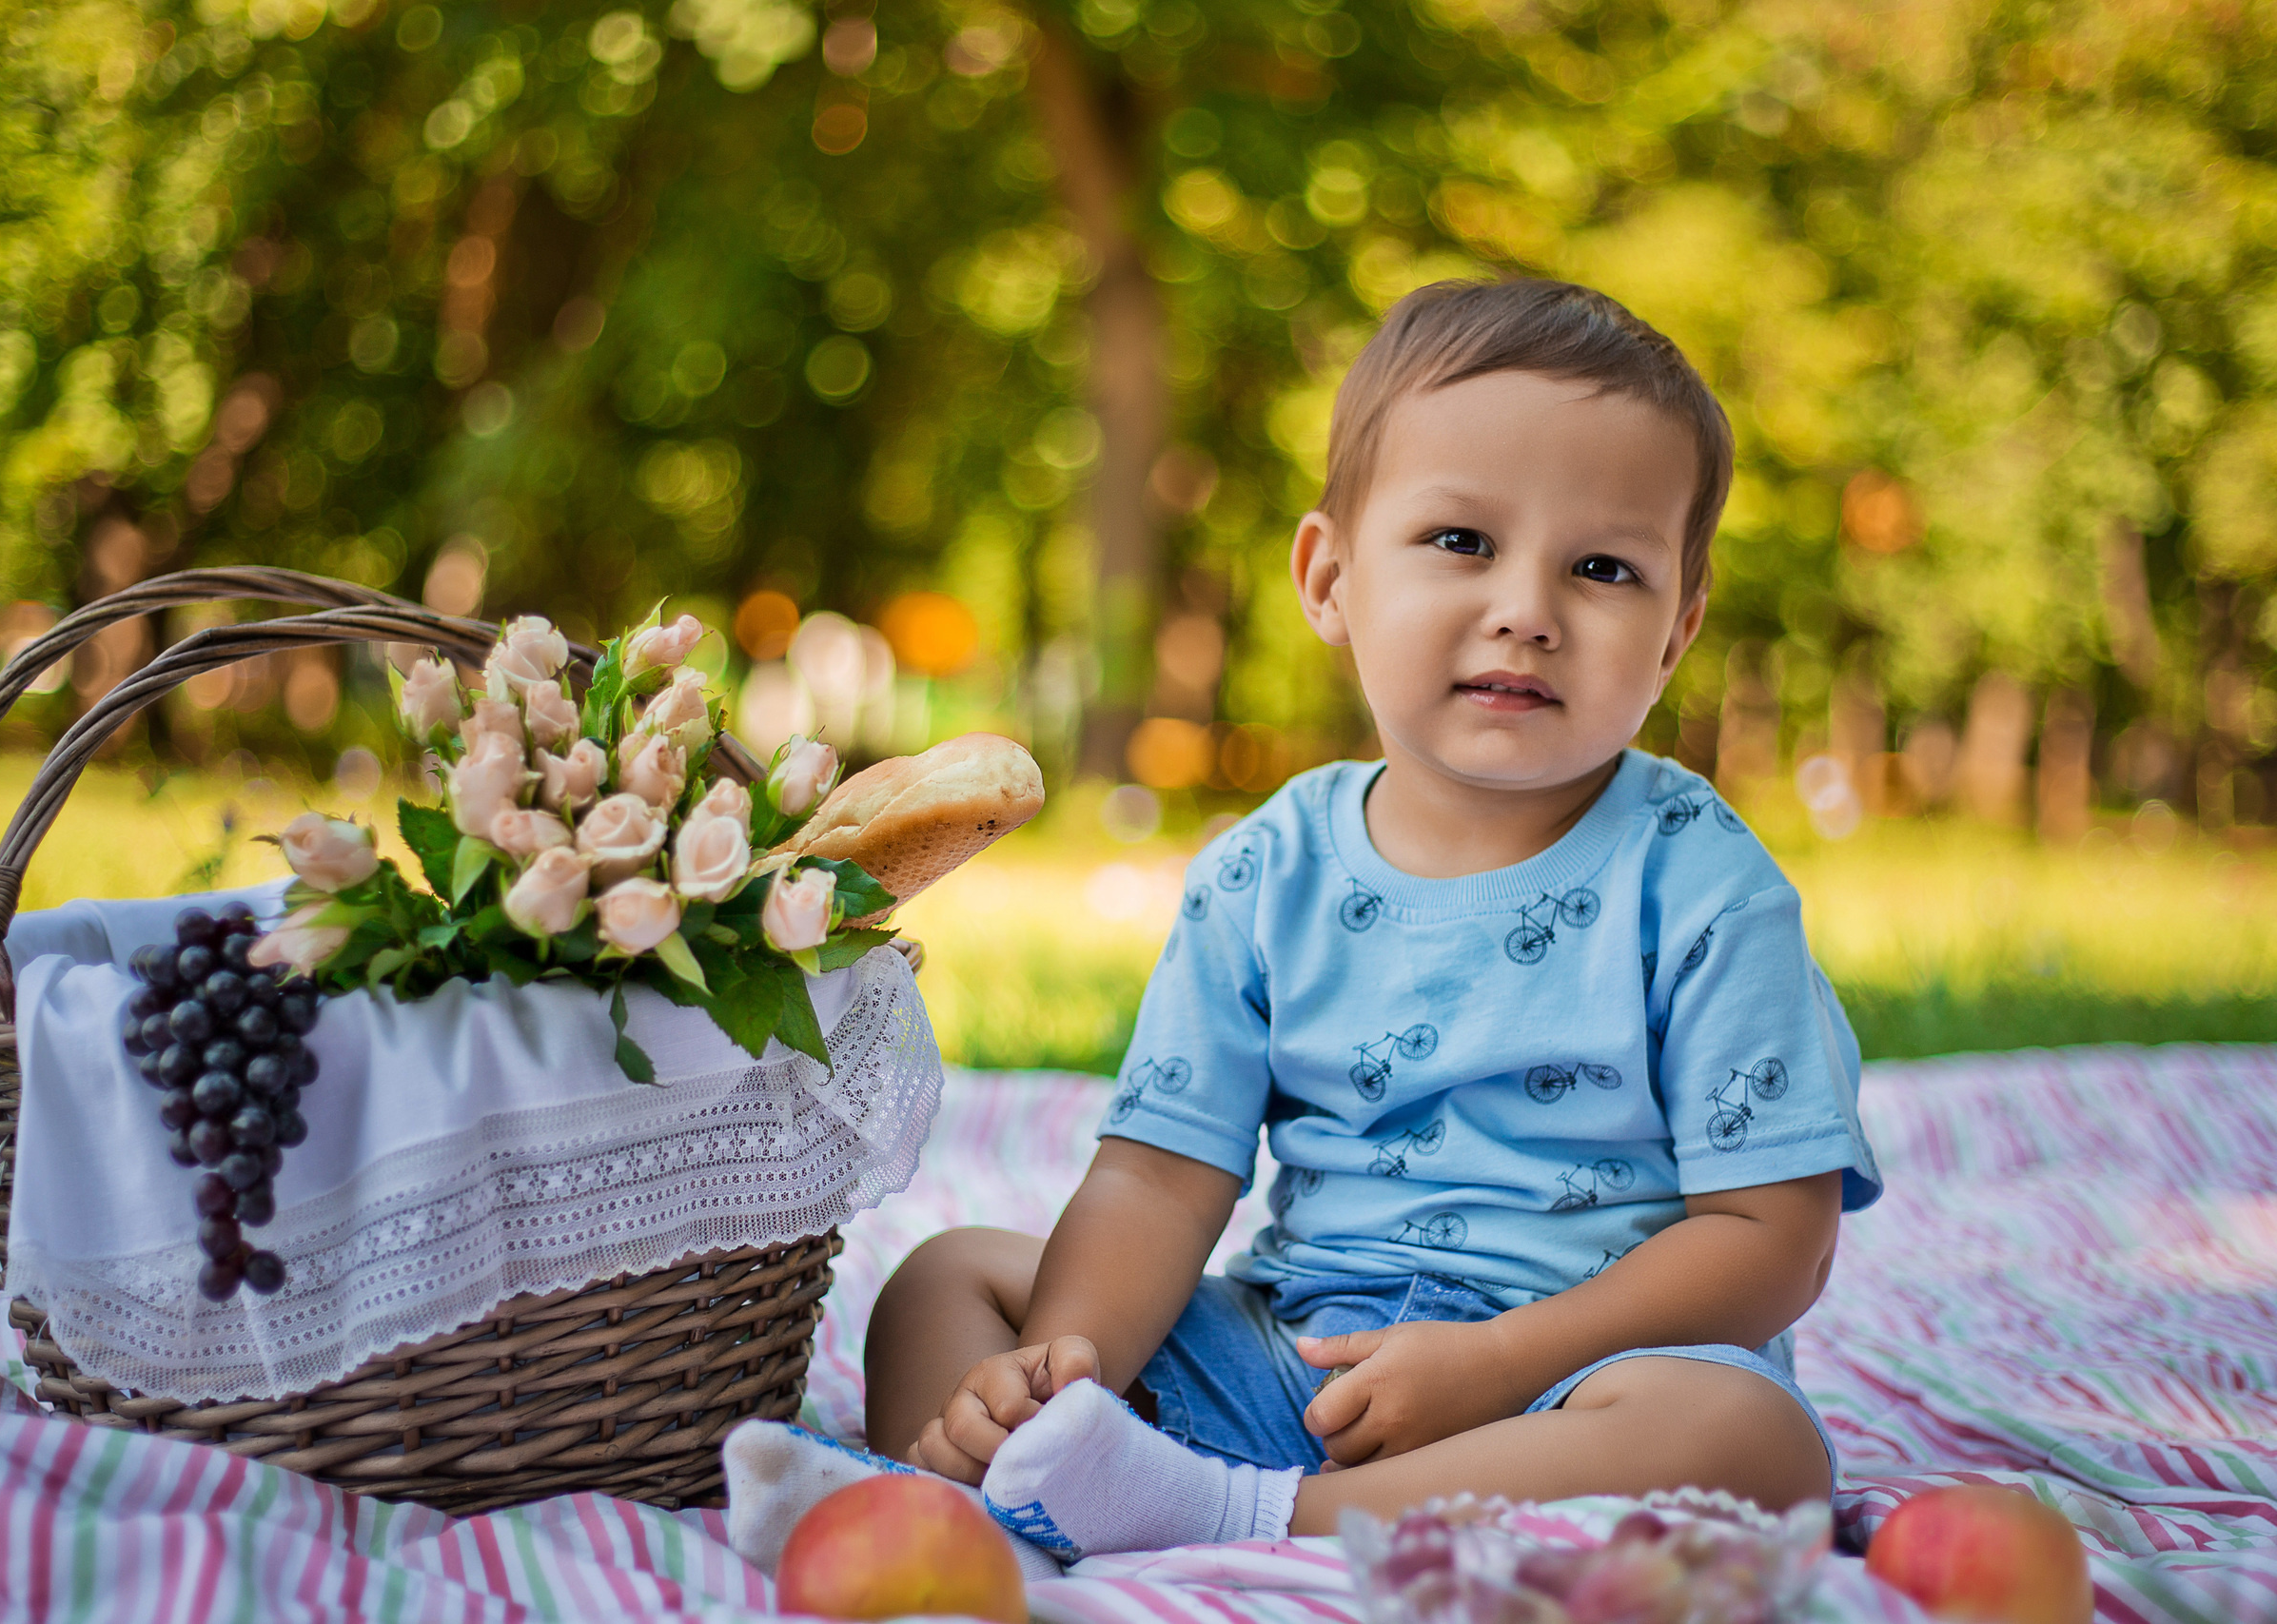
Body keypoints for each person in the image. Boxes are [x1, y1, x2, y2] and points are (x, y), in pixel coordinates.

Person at [721, 278, 1883, 1571]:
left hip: (1571, 1382)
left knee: (1748, 1443)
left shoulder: (1704, 885)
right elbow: (1163, 1172)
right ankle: (1000, 1479)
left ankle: (1230, 1520)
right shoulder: (1268, 869)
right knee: (948, 1281)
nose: (1528, 608)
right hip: (1296, 1364)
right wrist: (1069, 1367)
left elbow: (1770, 1241)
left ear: (1676, 631)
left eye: (1603, 568)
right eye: (1460, 541)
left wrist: (1499, 1359)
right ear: (1329, 578)